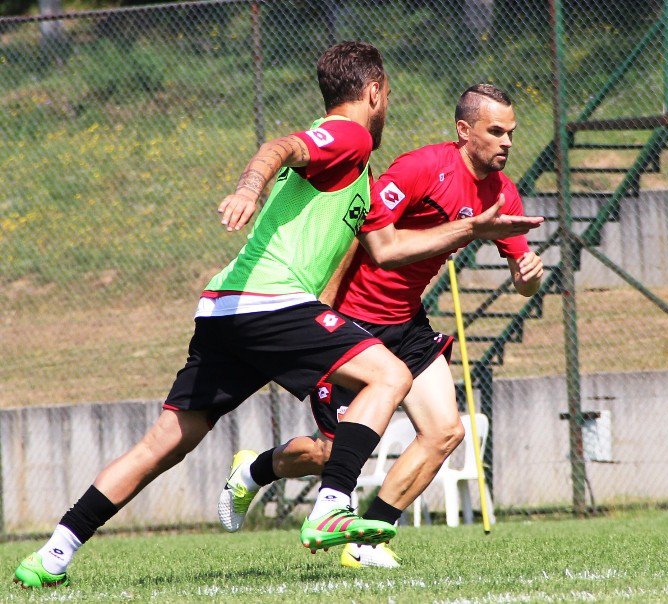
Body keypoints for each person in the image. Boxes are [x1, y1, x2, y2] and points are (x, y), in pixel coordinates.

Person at [13, 45, 542, 588]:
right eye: (388, 97)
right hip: (275, 303)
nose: (506, 142)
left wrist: (507, 254)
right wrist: (249, 186)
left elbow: (371, 241)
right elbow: (281, 147)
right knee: (388, 378)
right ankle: (331, 506)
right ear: (375, 93)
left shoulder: (358, 167)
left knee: (164, 443)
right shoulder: (351, 136)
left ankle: (54, 552)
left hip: (225, 307)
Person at [217, 83, 543, 569]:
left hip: (407, 324)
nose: (507, 142)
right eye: (495, 131)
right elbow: (367, 235)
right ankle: (255, 469)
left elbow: (523, 282)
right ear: (464, 130)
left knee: (445, 432)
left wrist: (527, 275)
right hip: (352, 322)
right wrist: (323, 302)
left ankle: (368, 542)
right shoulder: (421, 168)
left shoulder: (503, 192)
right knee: (331, 453)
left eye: (511, 133)